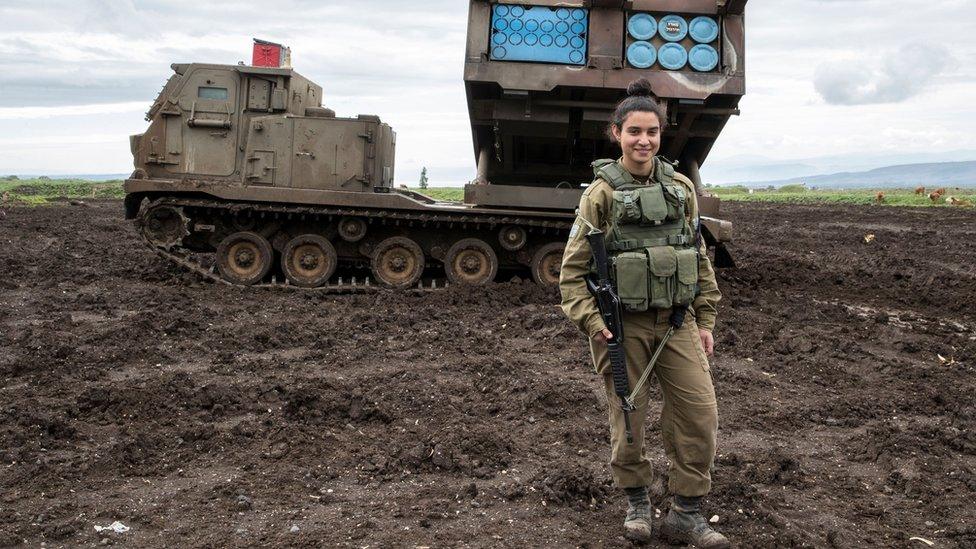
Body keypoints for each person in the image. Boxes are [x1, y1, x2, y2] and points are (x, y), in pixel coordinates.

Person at [559, 78, 727, 548]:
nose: (644, 140)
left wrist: (705, 319)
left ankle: (687, 513)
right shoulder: (601, 194)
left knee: (699, 415)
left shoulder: (680, 189)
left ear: (661, 134)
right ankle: (637, 503)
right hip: (622, 328)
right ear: (617, 133)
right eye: (634, 131)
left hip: (678, 323)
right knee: (628, 420)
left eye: (651, 131)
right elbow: (572, 274)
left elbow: (697, 258)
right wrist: (595, 324)